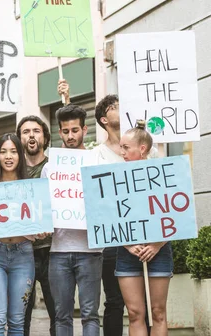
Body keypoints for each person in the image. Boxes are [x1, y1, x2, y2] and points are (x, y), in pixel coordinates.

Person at [43, 104, 103, 336]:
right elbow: (44, 206)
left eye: (75, 130)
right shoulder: (50, 167)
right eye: (65, 131)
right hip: (58, 251)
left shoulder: (96, 163)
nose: (70, 136)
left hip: (91, 250)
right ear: (60, 131)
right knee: (61, 315)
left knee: (90, 314)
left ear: (84, 130)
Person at [0, 133, 46, 335]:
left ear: (21, 155)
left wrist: (42, 232)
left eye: (14, 151)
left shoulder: (33, 189)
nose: (9, 156)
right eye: (4, 151)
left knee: (17, 321)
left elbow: (40, 223)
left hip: (23, 255)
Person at [117, 120, 173, 335]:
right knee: (134, 313)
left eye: (125, 147)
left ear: (142, 149)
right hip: (127, 252)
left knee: (158, 312)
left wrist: (157, 245)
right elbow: (108, 216)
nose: (121, 152)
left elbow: (175, 215)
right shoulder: (116, 178)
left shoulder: (164, 175)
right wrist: (129, 245)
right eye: (121, 147)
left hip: (158, 251)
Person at [16, 115, 56, 336]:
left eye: (36, 131)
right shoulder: (11, 171)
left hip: (53, 251)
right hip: (22, 252)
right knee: (21, 315)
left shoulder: (57, 167)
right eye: (25, 131)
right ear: (19, 138)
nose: (31, 135)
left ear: (45, 136)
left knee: (57, 313)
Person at [92, 95, 126, 336]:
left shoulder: (145, 147)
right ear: (104, 119)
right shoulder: (97, 156)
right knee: (115, 301)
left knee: (143, 305)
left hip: (143, 236)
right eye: (115, 107)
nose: (121, 109)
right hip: (112, 239)